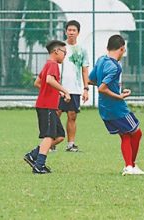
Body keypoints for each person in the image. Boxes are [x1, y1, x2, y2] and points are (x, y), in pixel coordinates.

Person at [88, 35, 144, 176]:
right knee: (137, 133)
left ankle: (129, 167)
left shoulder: (101, 60)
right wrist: (119, 96)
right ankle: (131, 166)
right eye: (124, 50)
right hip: (117, 108)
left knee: (125, 135)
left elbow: (91, 80)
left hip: (104, 108)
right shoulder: (115, 66)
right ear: (121, 49)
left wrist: (116, 90)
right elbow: (102, 88)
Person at [23, 40, 71, 174]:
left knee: (60, 136)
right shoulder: (53, 65)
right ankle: (39, 165)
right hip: (46, 106)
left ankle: (33, 155)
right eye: (64, 53)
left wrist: (57, 91)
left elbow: (38, 82)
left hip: (47, 106)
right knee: (49, 135)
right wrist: (65, 91)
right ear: (56, 51)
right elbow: (49, 80)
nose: (65, 55)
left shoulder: (47, 65)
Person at [56, 20, 89, 152]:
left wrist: (86, 89)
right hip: (60, 88)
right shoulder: (60, 48)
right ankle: (52, 142)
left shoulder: (82, 50)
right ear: (65, 32)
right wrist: (56, 88)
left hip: (75, 88)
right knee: (56, 114)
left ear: (78, 33)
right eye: (69, 30)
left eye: (74, 30)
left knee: (72, 115)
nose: (71, 32)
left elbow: (85, 70)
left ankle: (70, 144)